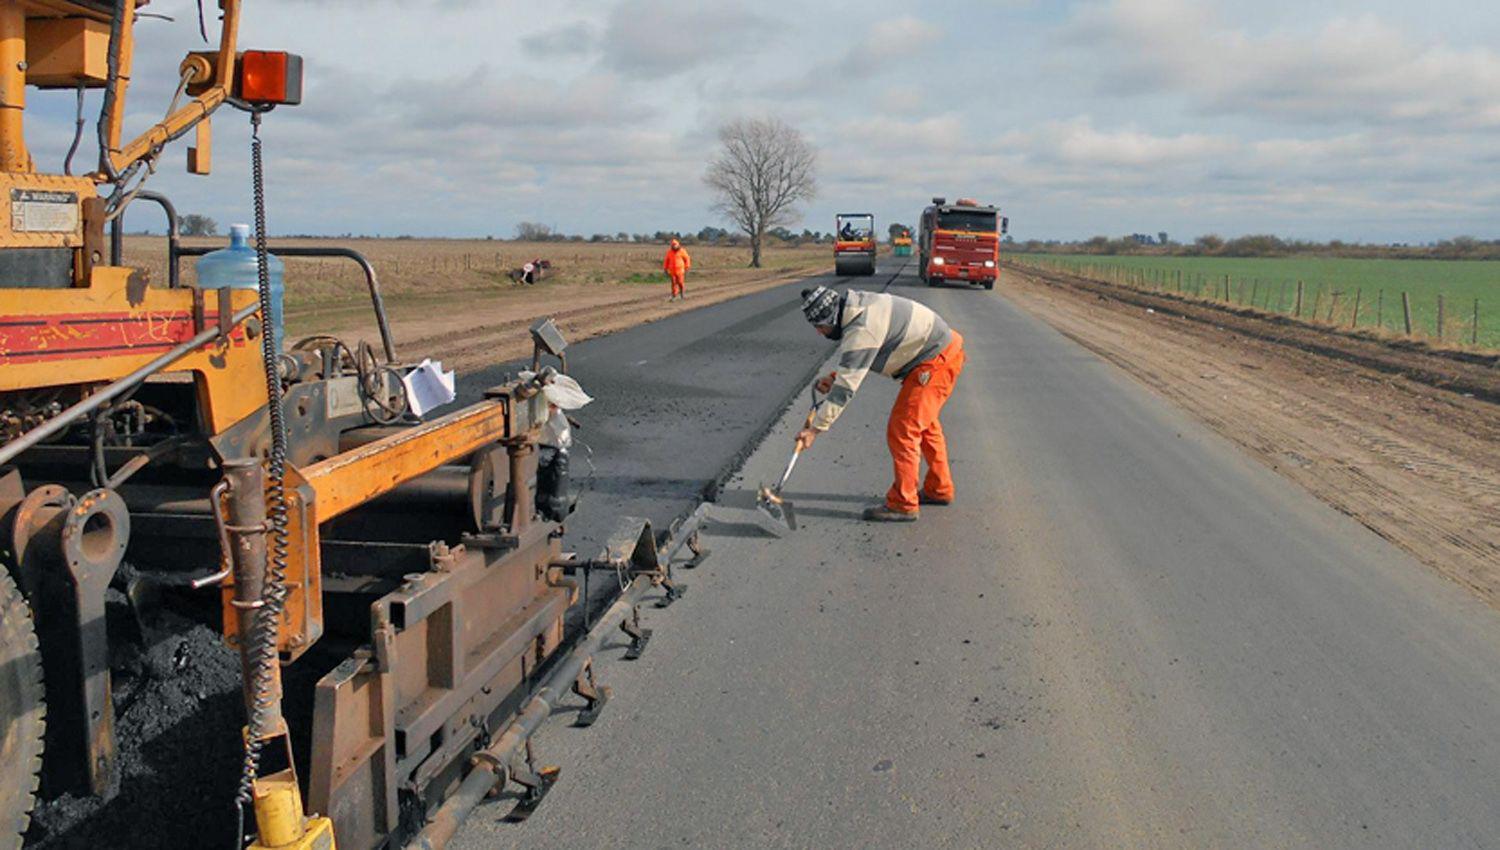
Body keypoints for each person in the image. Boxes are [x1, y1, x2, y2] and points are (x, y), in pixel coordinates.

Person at [795, 285, 966, 522]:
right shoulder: (860, 307)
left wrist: (815, 429)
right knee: (925, 425)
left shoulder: (862, 329)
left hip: (934, 362)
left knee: (903, 429)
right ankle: (939, 488)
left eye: (820, 327)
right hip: (942, 351)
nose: (820, 333)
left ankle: (903, 503)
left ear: (831, 318)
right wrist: (835, 378)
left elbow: (846, 389)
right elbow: (863, 359)